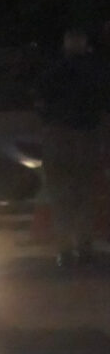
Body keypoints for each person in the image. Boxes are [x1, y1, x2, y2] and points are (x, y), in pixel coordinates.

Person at [33, 28, 108, 268]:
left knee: (62, 193)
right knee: (83, 192)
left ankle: (66, 247)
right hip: (84, 135)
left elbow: (40, 100)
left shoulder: (54, 68)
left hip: (60, 135)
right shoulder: (96, 69)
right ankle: (82, 245)